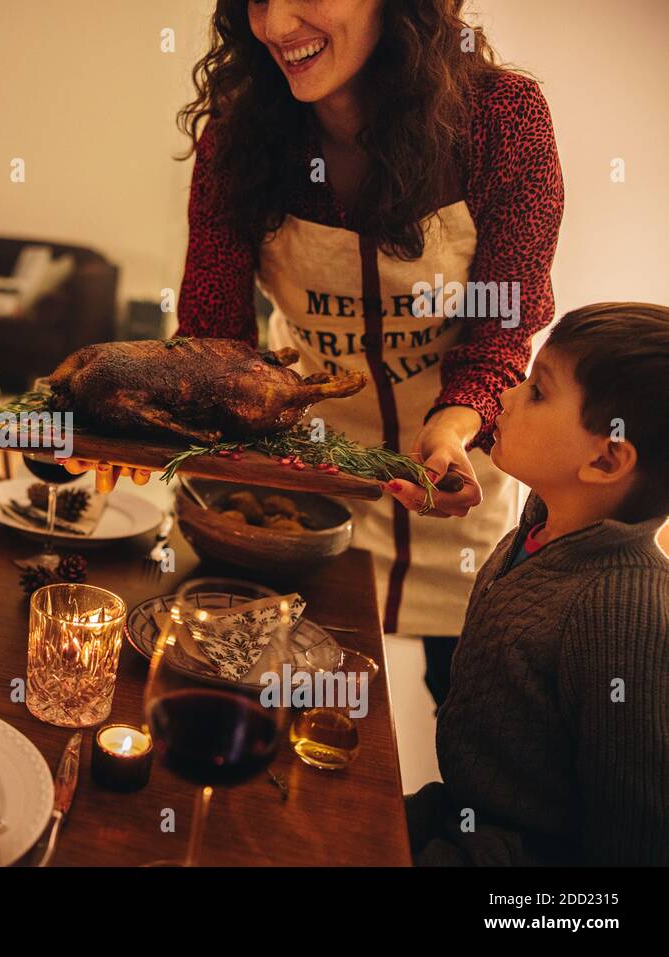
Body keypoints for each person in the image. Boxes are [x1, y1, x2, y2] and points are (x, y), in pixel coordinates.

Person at [174, 0, 564, 706]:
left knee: (478, 732)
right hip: (304, 495)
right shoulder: (238, 139)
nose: (278, 24)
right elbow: (213, 340)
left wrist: (452, 427)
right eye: (257, 1)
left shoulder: (501, 120)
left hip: (455, 480)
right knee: (292, 717)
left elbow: (501, 329)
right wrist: (133, 422)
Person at [407, 303, 669, 865]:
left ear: (606, 459)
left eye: (538, 392)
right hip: (461, 820)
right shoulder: (536, 530)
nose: (505, 396)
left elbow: (635, 838)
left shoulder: (624, 608)